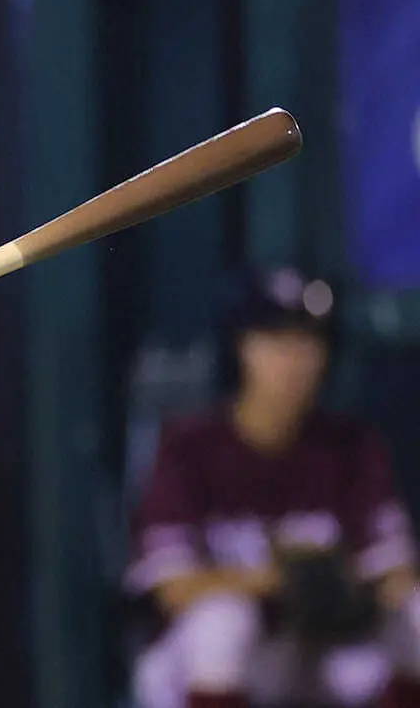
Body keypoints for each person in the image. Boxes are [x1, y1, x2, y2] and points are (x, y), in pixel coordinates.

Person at [127, 266, 420, 708]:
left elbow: (396, 572)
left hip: (320, 647)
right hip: (212, 660)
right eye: (275, 341)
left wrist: (342, 586)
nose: (292, 360)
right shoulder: (189, 448)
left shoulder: (350, 446)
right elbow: (173, 588)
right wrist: (279, 580)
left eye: (307, 342)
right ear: (242, 348)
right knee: (221, 622)